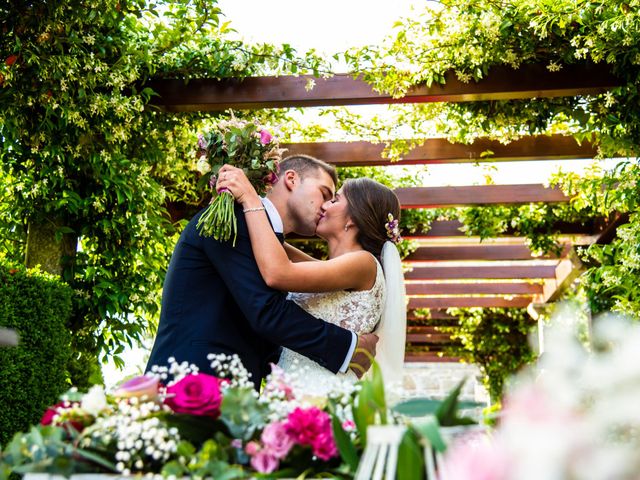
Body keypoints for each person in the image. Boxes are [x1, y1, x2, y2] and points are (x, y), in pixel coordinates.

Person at [146, 155, 379, 390]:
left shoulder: (268, 245)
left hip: (231, 393)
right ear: (291, 179)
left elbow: (251, 322)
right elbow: (267, 311)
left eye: (333, 199)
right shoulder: (233, 218)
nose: (326, 206)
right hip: (191, 381)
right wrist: (348, 346)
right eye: (324, 194)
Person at [216, 164, 407, 394]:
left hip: (321, 393)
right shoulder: (336, 271)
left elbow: (278, 272)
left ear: (353, 219)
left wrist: (250, 198)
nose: (324, 205)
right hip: (292, 390)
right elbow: (274, 245)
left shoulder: (363, 263)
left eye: (334, 200)